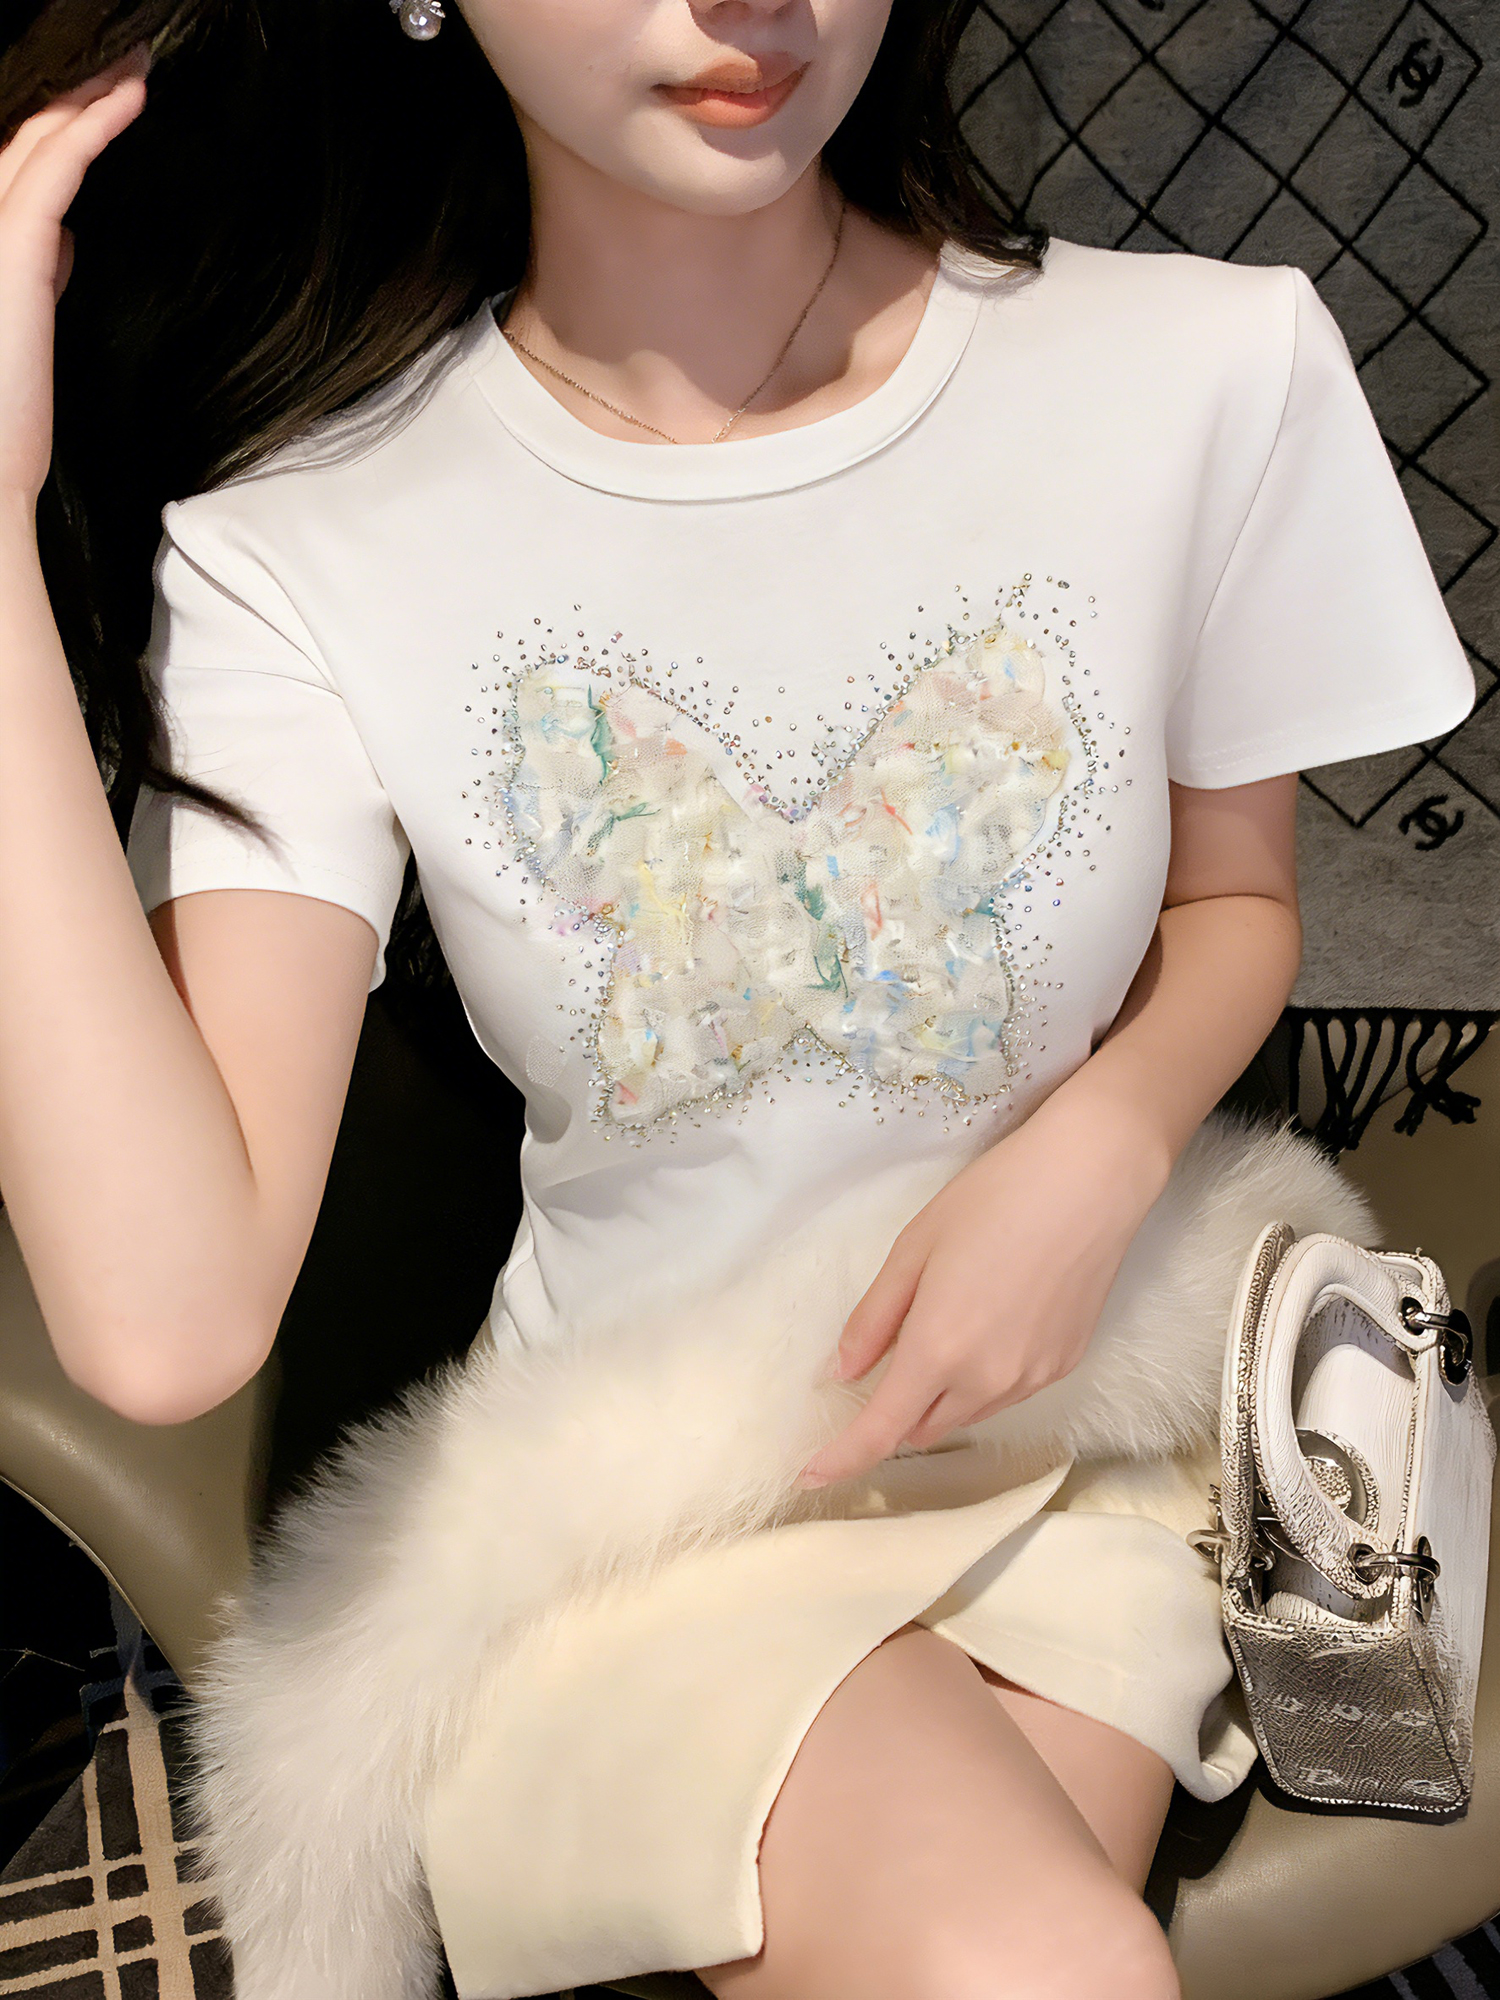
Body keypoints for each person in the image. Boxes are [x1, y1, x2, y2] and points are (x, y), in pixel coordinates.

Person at [0, 2, 1474, 1996]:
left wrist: (1104, 1148)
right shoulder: (309, 543)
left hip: (1091, 1441)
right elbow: (164, 1323)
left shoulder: (1200, 366)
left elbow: (1238, 906)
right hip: (642, 1513)